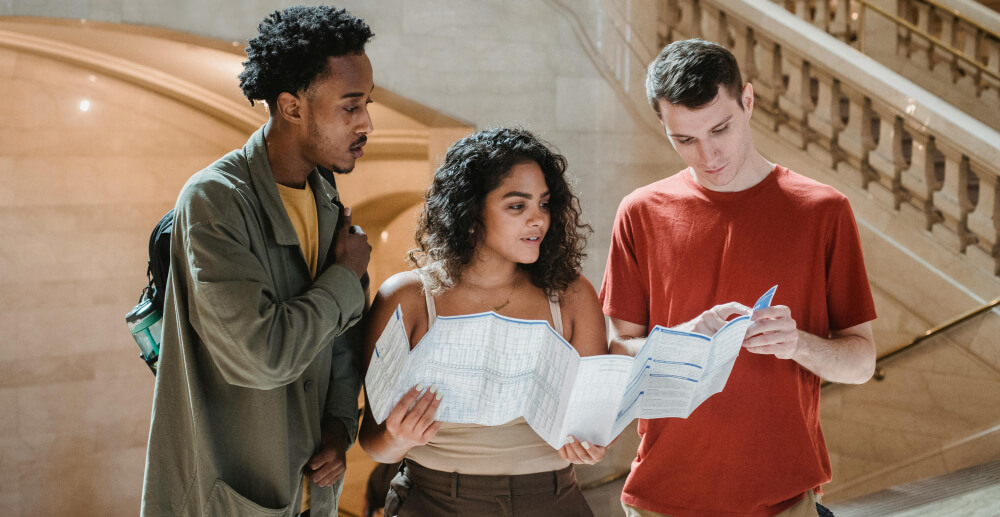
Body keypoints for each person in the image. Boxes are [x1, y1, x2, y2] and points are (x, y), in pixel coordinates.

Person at [600, 39, 878, 517]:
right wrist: (683, 338)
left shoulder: (822, 211)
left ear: (747, 102)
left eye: (720, 129)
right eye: (684, 139)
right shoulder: (640, 212)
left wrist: (799, 344)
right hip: (661, 499)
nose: (708, 155)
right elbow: (615, 354)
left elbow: (862, 361)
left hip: (783, 500)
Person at [140, 6, 375, 516]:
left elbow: (339, 341)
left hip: (315, 499)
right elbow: (260, 355)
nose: (367, 123)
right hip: (231, 498)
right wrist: (345, 275)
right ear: (292, 107)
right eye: (350, 107)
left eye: (368, 105)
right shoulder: (213, 200)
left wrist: (339, 427)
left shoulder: (326, 197)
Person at [358, 127, 608, 516]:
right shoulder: (407, 298)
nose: (537, 220)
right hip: (434, 500)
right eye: (516, 206)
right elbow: (372, 441)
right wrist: (397, 436)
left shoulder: (573, 295)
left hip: (552, 500)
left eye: (543, 204)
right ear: (471, 209)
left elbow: (592, 429)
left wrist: (590, 446)